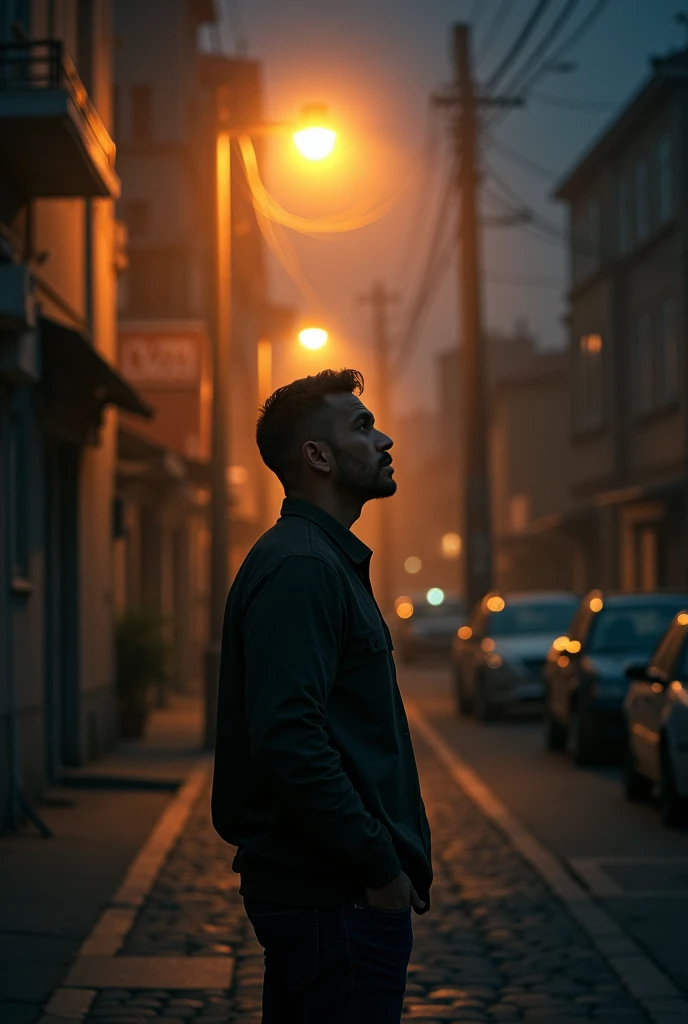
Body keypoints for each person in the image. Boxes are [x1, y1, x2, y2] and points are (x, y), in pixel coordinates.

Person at [212, 368, 432, 1023]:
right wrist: (377, 866)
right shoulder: (305, 567)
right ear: (318, 456)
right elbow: (288, 738)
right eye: (363, 427)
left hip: (331, 896)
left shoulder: (319, 559)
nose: (385, 439)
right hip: (334, 899)